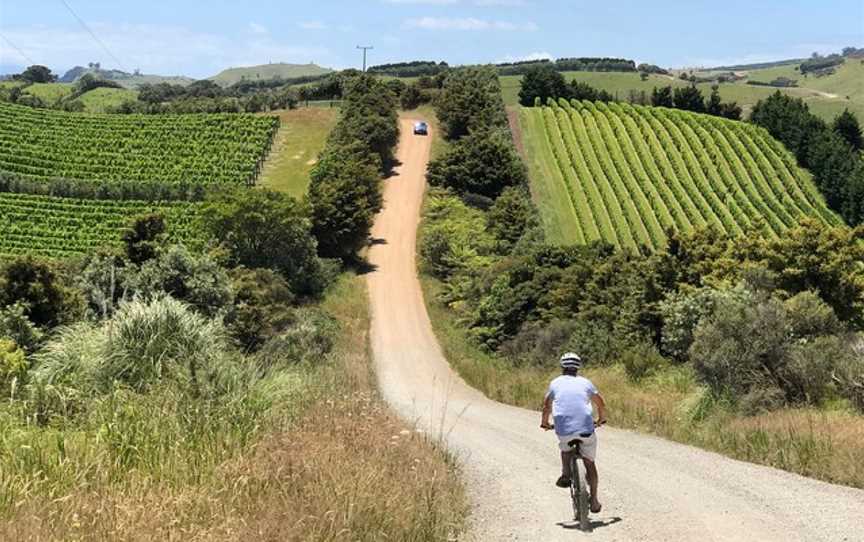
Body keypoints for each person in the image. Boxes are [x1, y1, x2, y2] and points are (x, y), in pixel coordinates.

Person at [541, 352, 607, 514]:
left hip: (564, 429)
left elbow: (546, 406)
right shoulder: (586, 383)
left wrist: (545, 423)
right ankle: (594, 500)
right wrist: (601, 420)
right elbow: (601, 403)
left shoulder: (555, 383)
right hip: (586, 428)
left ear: (562, 366)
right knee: (590, 462)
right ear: (578, 367)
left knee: (565, 449)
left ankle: (566, 474)